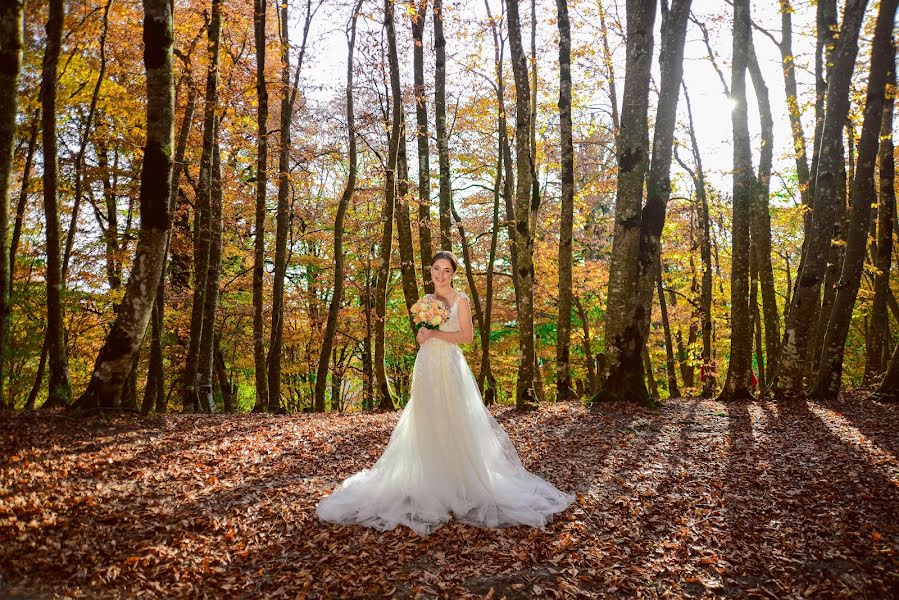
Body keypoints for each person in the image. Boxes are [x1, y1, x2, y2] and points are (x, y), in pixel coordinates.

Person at [316, 251, 575, 536]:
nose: (440, 275)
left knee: (453, 418)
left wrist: (436, 334)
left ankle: (459, 484)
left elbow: (467, 337)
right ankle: (430, 482)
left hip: (449, 366)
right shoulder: (425, 302)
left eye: (446, 270)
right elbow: (421, 335)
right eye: (436, 269)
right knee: (426, 420)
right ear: (430, 271)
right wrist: (422, 335)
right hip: (426, 365)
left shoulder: (460, 300)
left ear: (453, 273)